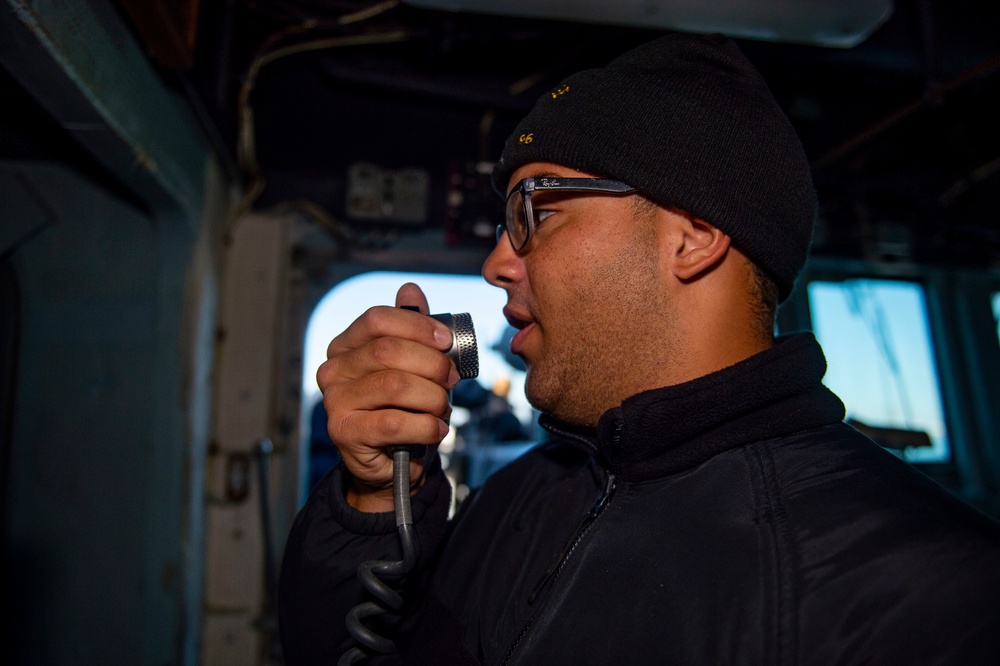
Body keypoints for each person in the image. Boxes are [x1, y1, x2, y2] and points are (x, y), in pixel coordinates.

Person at [277, 32, 1000, 664]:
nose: (497, 262)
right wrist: (372, 503)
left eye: (536, 209)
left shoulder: (929, 598)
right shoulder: (520, 493)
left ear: (692, 235)